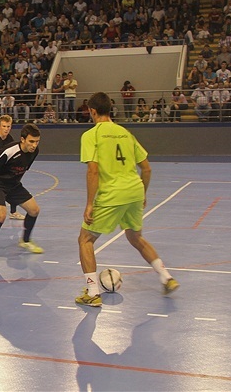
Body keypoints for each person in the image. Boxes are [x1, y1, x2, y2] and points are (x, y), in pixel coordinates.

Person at [75, 92, 179, 307]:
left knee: (85, 240)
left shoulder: (91, 135)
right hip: (134, 190)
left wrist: (89, 203)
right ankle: (166, 277)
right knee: (135, 237)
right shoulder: (125, 133)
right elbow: (147, 168)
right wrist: (143, 194)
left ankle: (93, 292)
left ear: (92, 112)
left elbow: (93, 171)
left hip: (112, 194)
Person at [0, 123, 45, 265]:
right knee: (1, 215)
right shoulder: (9, 151)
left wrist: (14, 193)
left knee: (34, 210)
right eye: (31, 141)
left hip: (13, 185)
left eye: (37, 141)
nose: (34, 145)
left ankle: (25, 241)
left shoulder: (34, 152)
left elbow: (21, 170)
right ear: (22, 139)